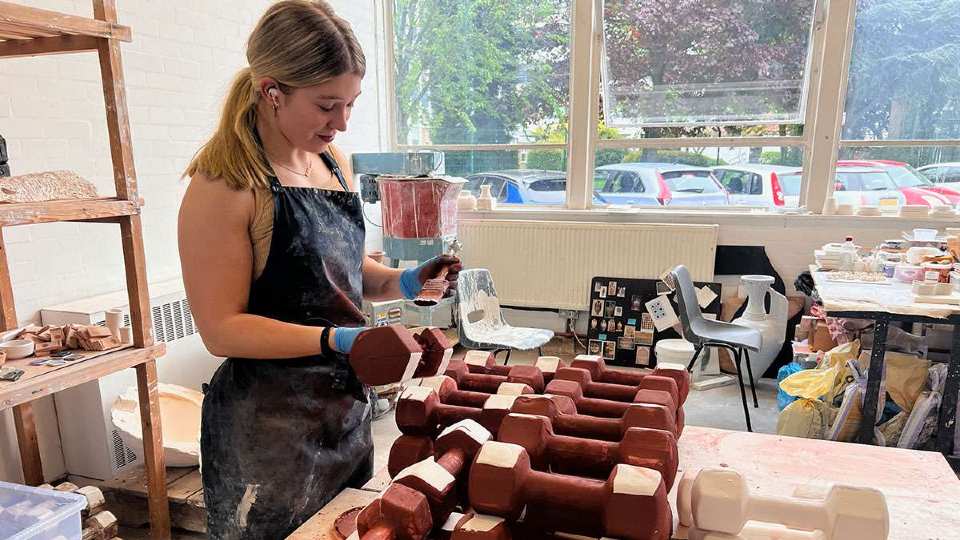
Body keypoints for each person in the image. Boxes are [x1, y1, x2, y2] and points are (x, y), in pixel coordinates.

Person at [177, 2, 460, 537]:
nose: (343, 122)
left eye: (351, 103)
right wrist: (338, 339)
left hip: (343, 413)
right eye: (328, 105)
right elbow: (220, 330)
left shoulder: (334, 164)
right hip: (267, 430)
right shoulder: (225, 186)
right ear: (271, 91)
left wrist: (400, 281)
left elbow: (341, 276)